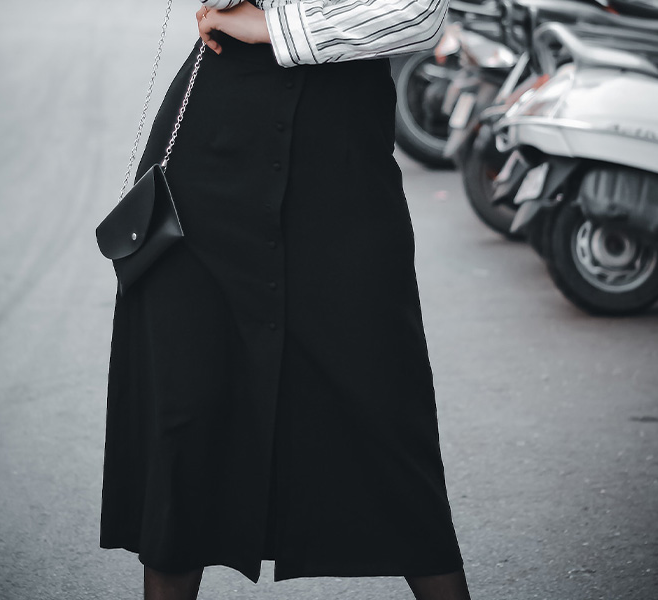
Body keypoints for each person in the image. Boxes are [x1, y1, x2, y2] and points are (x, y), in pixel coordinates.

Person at [100, 1, 473, 599]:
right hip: (211, 164)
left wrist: (275, 26)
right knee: (186, 414)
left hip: (341, 167)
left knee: (382, 402)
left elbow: (418, 14)